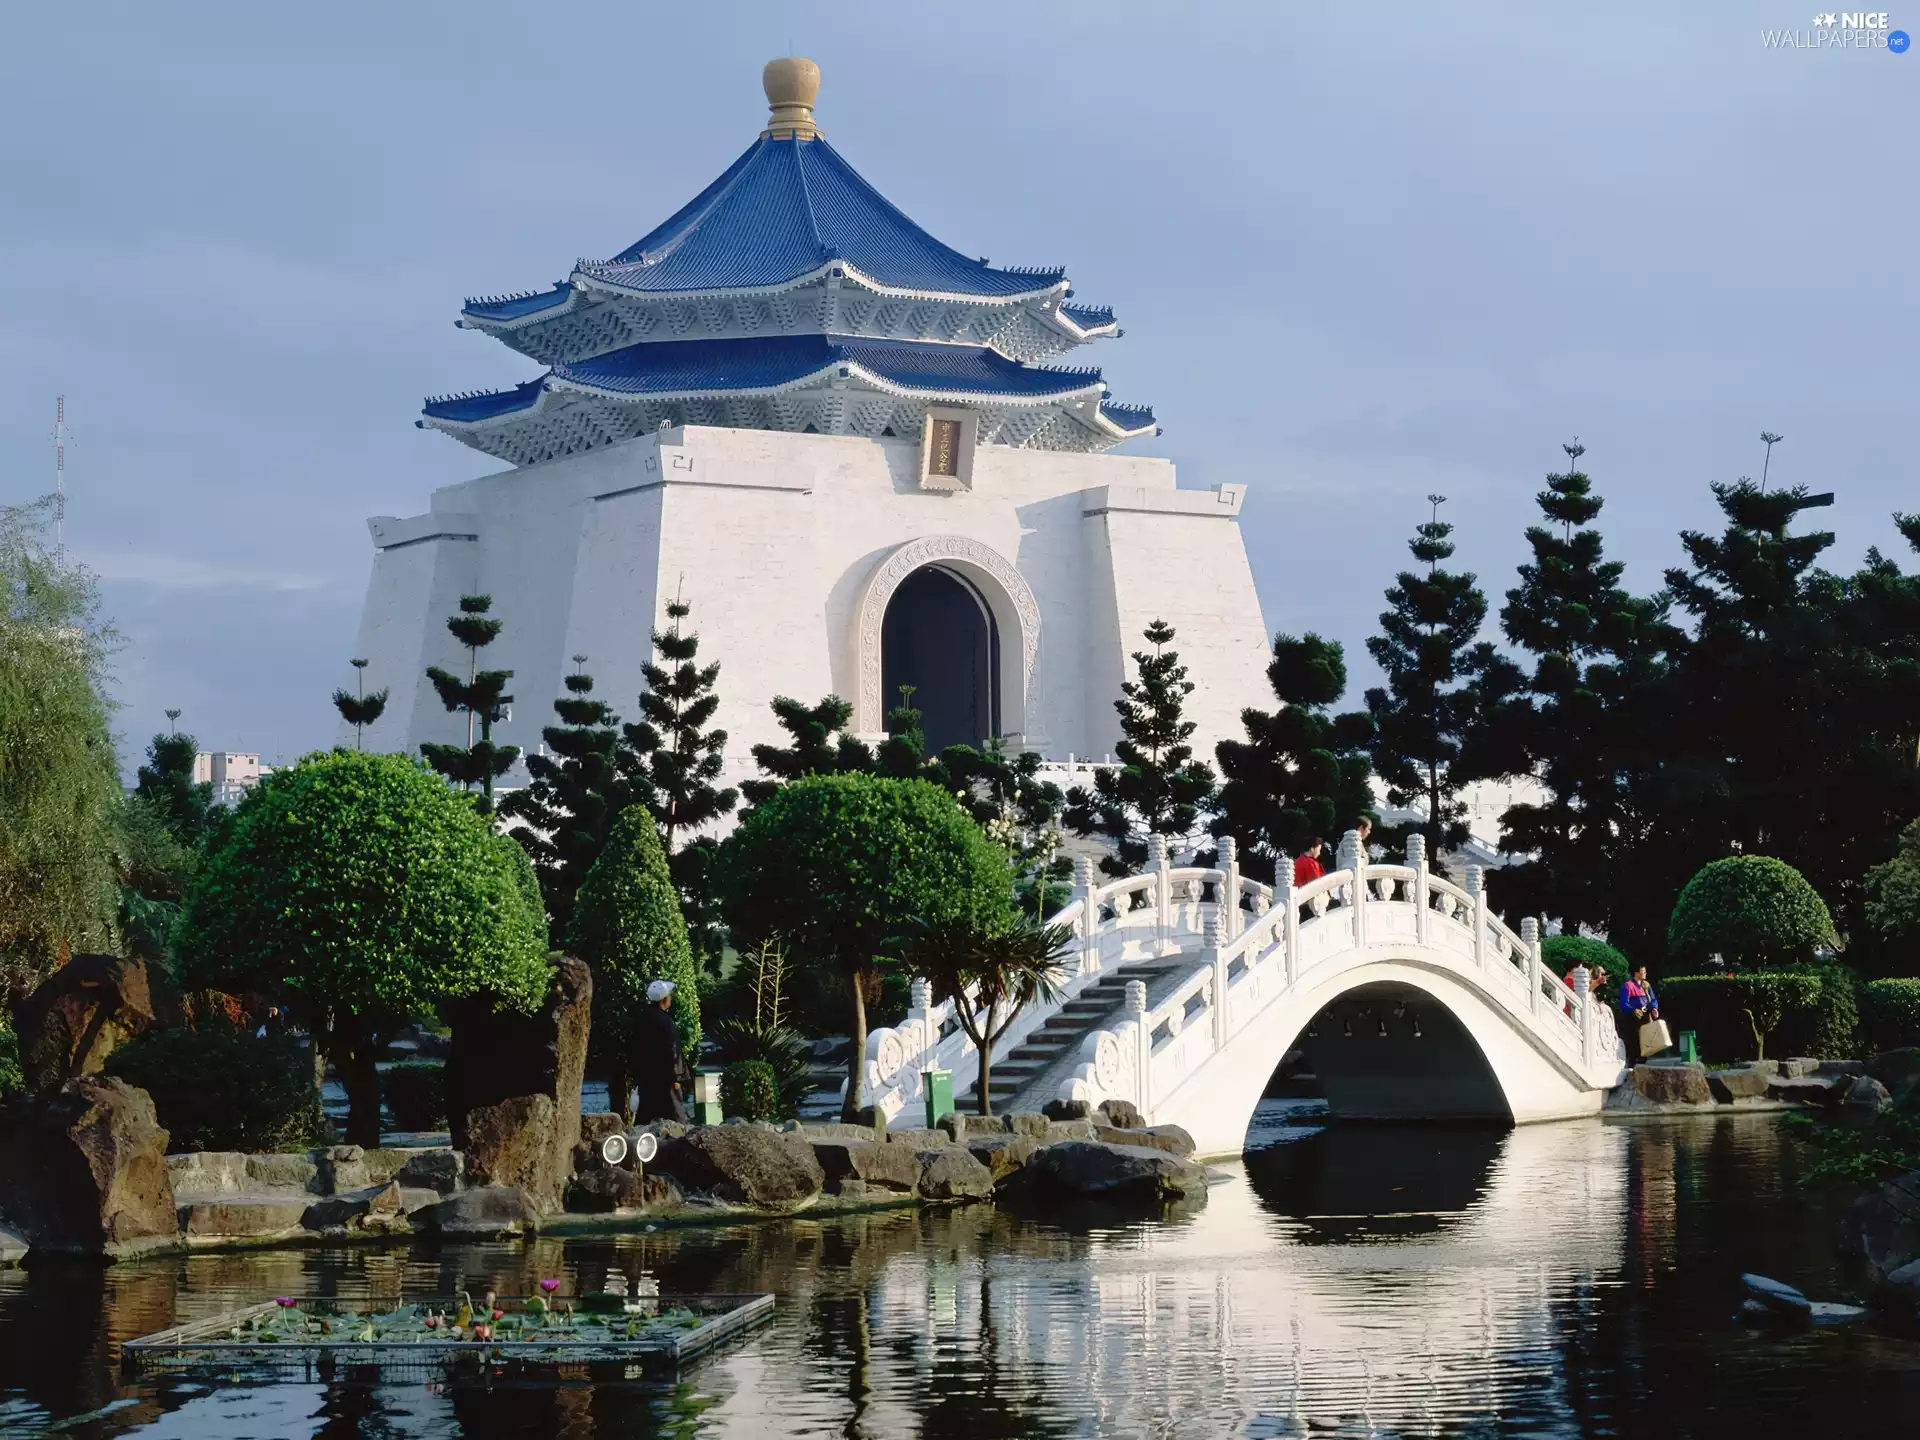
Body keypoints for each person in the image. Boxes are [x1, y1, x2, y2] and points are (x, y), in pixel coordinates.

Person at [633, 978, 689, 1124]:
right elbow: (672, 1050)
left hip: (647, 1078)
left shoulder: (641, 1019)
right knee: (676, 1118)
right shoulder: (666, 1022)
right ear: (664, 999)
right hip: (666, 1079)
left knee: (645, 1118)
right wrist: (677, 1077)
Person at [1619, 965, 1660, 1053]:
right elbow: (1624, 1003)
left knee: (1647, 1041)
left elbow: (1652, 999)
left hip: (1645, 1016)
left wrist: (1654, 1008)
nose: (1645, 973)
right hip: (1633, 1018)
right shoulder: (1628, 986)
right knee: (1634, 1041)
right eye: (1643, 971)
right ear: (1636, 973)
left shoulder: (1646, 985)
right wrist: (1633, 1010)